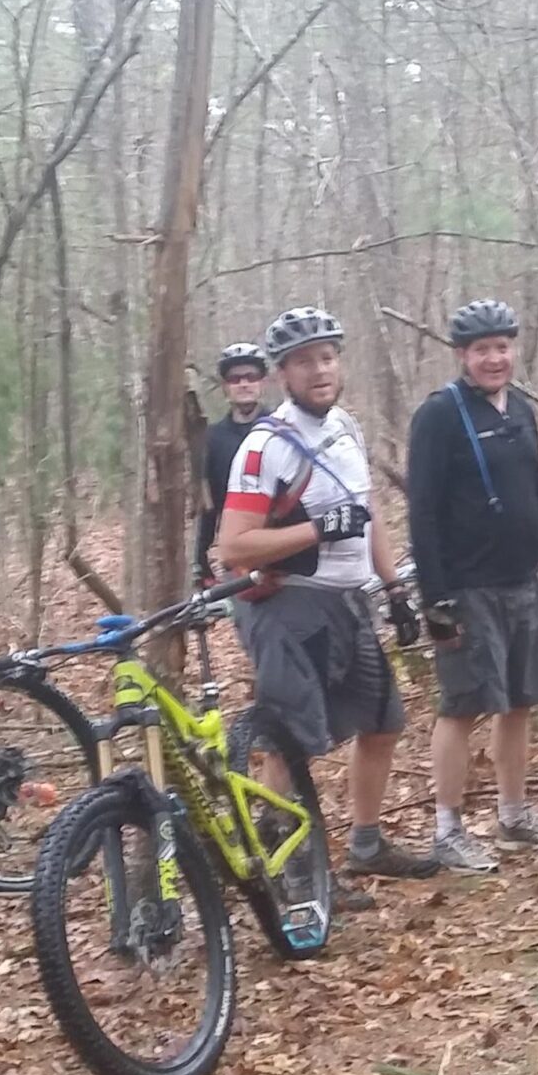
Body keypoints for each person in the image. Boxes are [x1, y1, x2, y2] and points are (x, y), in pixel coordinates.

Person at [213, 307, 440, 888]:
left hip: (349, 600)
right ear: (283, 375)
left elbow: (367, 517)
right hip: (289, 605)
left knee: (383, 722)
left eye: (327, 357)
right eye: (304, 362)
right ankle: (286, 869)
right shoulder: (266, 446)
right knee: (292, 740)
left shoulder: (347, 428)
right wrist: (316, 530)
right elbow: (233, 547)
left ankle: (365, 844)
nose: (319, 370)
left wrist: (393, 588)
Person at [404, 298, 538, 871]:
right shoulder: (439, 415)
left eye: (502, 347)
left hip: (520, 579)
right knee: (462, 706)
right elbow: (423, 512)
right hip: (467, 585)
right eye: (482, 349)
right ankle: (447, 829)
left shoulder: (521, 410)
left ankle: (514, 814)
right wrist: (436, 599)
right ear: (462, 355)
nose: (494, 358)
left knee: (522, 700)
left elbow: (537, 497)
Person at [195, 342, 271, 585]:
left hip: (283, 549)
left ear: (262, 382)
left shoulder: (283, 429)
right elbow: (209, 506)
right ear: (226, 387)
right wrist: (202, 563)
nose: (244, 384)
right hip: (238, 554)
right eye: (235, 379)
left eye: (251, 377)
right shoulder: (212, 438)